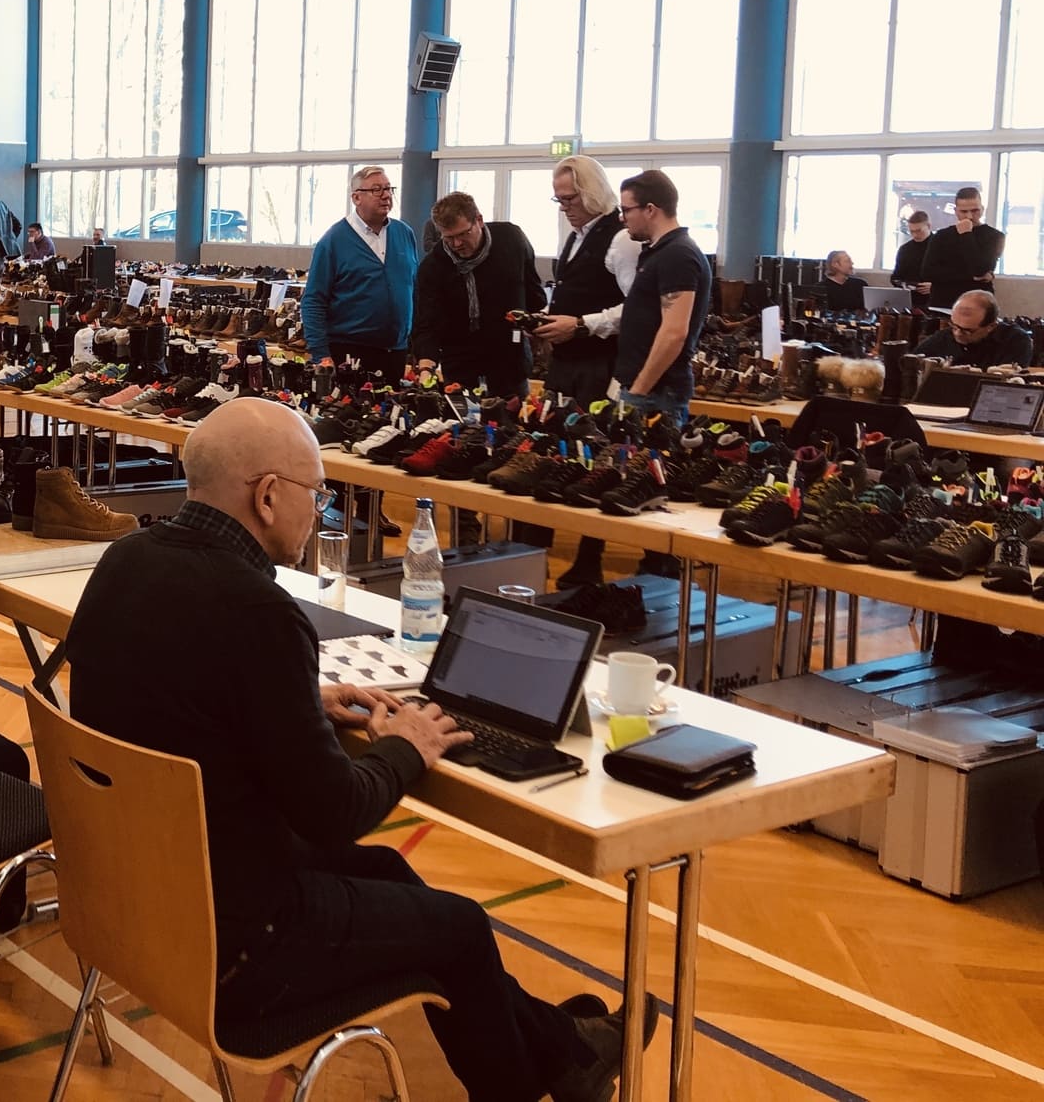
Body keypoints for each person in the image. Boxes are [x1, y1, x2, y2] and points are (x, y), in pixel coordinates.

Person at [64, 399, 639, 1102]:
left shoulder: (125, 560)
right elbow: (333, 812)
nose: (321, 509)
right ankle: (535, 1077)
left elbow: (187, 698)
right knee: (460, 927)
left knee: (386, 872)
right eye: (316, 492)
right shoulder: (258, 610)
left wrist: (298, 701)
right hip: (235, 946)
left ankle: (563, 1051)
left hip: (135, 898)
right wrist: (406, 747)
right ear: (268, 496)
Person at [529, 157, 641, 587]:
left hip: (600, 365)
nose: (565, 207)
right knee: (549, 450)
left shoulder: (622, 241)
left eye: (570, 199)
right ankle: (531, 553)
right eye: (558, 200)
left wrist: (580, 324)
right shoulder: (576, 238)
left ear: (592, 192)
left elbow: (637, 308)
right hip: (566, 364)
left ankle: (590, 558)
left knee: (594, 459)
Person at [410, 193, 544, 396]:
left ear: (479, 220)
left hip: (510, 361)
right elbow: (427, 323)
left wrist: (536, 326)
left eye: (463, 234)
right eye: (449, 238)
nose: (457, 244)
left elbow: (534, 293)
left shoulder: (512, 240)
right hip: (460, 366)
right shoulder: (433, 267)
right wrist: (426, 369)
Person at [301, 164, 418, 385]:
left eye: (388, 188)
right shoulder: (333, 241)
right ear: (356, 198)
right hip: (350, 352)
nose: (386, 195)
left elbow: (414, 290)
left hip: (396, 352)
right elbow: (313, 300)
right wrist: (320, 353)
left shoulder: (404, 233)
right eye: (376, 190)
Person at [614, 169, 710, 429]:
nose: (622, 218)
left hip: (656, 395)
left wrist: (638, 391)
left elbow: (674, 333)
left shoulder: (677, 255)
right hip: (650, 392)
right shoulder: (661, 252)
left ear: (650, 209)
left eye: (626, 210)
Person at [919, 187, 1004, 310]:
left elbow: (980, 269)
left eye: (975, 210)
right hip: (943, 301)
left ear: (982, 209)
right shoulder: (941, 236)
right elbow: (927, 272)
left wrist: (966, 234)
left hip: (978, 303)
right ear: (956, 211)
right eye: (964, 211)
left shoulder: (995, 236)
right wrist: (970, 277)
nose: (969, 216)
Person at [912, 290, 1033, 370]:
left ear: (991, 326)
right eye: (954, 326)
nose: (957, 333)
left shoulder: (1015, 340)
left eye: (967, 331)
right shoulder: (943, 337)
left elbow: (1012, 381)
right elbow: (911, 361)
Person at [891, 210, 933, 311]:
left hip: (935, 300)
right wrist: (905, 285)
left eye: (918, 231)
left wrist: (935, 287)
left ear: (929, 226)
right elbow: (896, 277)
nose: (915, 235)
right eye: (911, 231)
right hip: (910, 301)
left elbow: (951, 275)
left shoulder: (941, 246)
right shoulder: (905, 249)